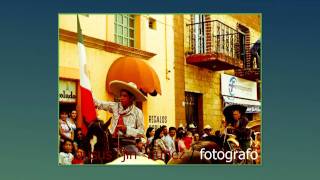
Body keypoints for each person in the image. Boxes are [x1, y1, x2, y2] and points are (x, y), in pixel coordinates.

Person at [94, 81, 146, 152]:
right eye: (121, 95)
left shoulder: (138, 112)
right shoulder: (115, 106)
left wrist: (126, 129)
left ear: (132, 98)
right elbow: (100, 104)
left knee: (133, 157)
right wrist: (89, 94)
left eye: (125, 96)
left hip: (128, 143)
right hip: (111, 141)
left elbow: (141, 132)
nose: (121, 98)